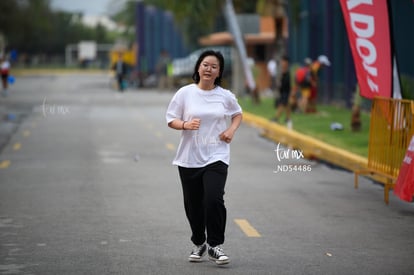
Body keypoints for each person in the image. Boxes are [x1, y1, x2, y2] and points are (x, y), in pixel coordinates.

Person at [165, 50, 242, 265]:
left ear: (219, 73)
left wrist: (231, 130)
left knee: (213, 199)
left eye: (214, 66)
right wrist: (185, 125)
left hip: (216, 155)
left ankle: (215, 245)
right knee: (193, 204)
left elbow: (237, 114)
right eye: (205, 64)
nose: (209, 69)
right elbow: (171, 119)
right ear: (198, 68)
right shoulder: (185, 93)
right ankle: (199, 242)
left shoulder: (225, 95)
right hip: (189, 157)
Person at [272, 56, 292, 127]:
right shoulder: (282, 70)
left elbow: (288, 82)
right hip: (282, 90)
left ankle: (276, 118)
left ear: (286, 62)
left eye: (283, 61)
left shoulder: (287, 71)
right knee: (286, 105)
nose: (282, 63)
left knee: (282, 104)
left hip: (286, 90)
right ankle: (288, 118)